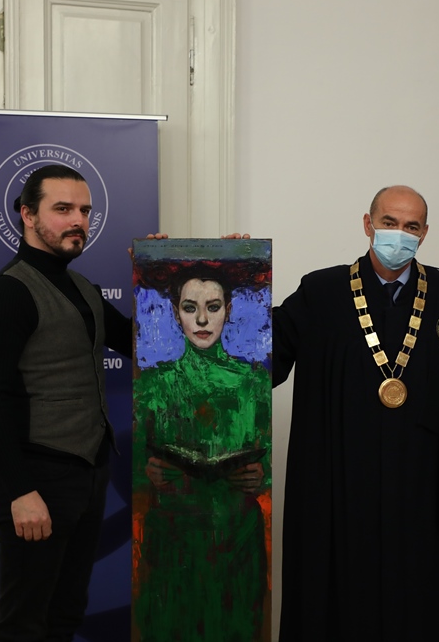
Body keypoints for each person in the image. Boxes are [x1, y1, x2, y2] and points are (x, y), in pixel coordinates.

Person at [272, 185, 439, 640]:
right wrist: (227, 274)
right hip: (337, 485)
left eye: (411, 226)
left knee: (414, 602)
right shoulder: (321, 291)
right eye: (389, 223)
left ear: (424, 233)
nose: (399, 234)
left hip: (420, 488)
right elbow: (256, 355)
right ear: (368, 224)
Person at [0, 164, 154, 642]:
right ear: (28, 215)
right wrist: (21, 491)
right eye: (63, 209)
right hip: (36, 480)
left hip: (87, 474)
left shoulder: (83, 288)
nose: (78, 220)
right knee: (24, 623)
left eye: (85, 211)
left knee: (66, 614)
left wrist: (161, 273)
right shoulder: (7, 294)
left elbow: (145, 344)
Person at [132, 264, 272, 641]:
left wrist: (262, 475)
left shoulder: (253, 382)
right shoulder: (155, 385)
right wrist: (149, 471)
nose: (203, 320)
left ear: (228, 309)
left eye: (213, 307)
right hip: (172, 539)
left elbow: (270, 457)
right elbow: (134, 466)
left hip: (237, 537)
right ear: (175, 312)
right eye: (190, 308)